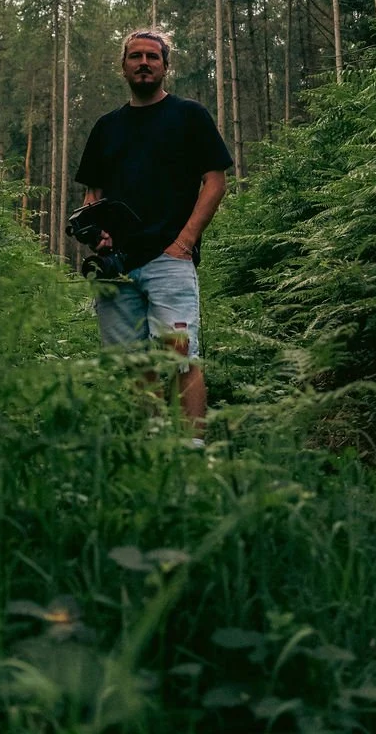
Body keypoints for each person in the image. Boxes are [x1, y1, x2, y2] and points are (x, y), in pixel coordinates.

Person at [74, 28, 232, 443]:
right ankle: (148, 452)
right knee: (131, 365)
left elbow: (215, 182)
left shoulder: (189, 116)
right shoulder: (107, 127)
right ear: (123, 65)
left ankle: (192, 454)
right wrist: (98, 234)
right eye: (135, 57)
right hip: (116, 267)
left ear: (166, 65)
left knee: (180, 358)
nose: (144, 63)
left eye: (153, 57)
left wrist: (183, 244)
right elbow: (93, 192)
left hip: (169, 260)